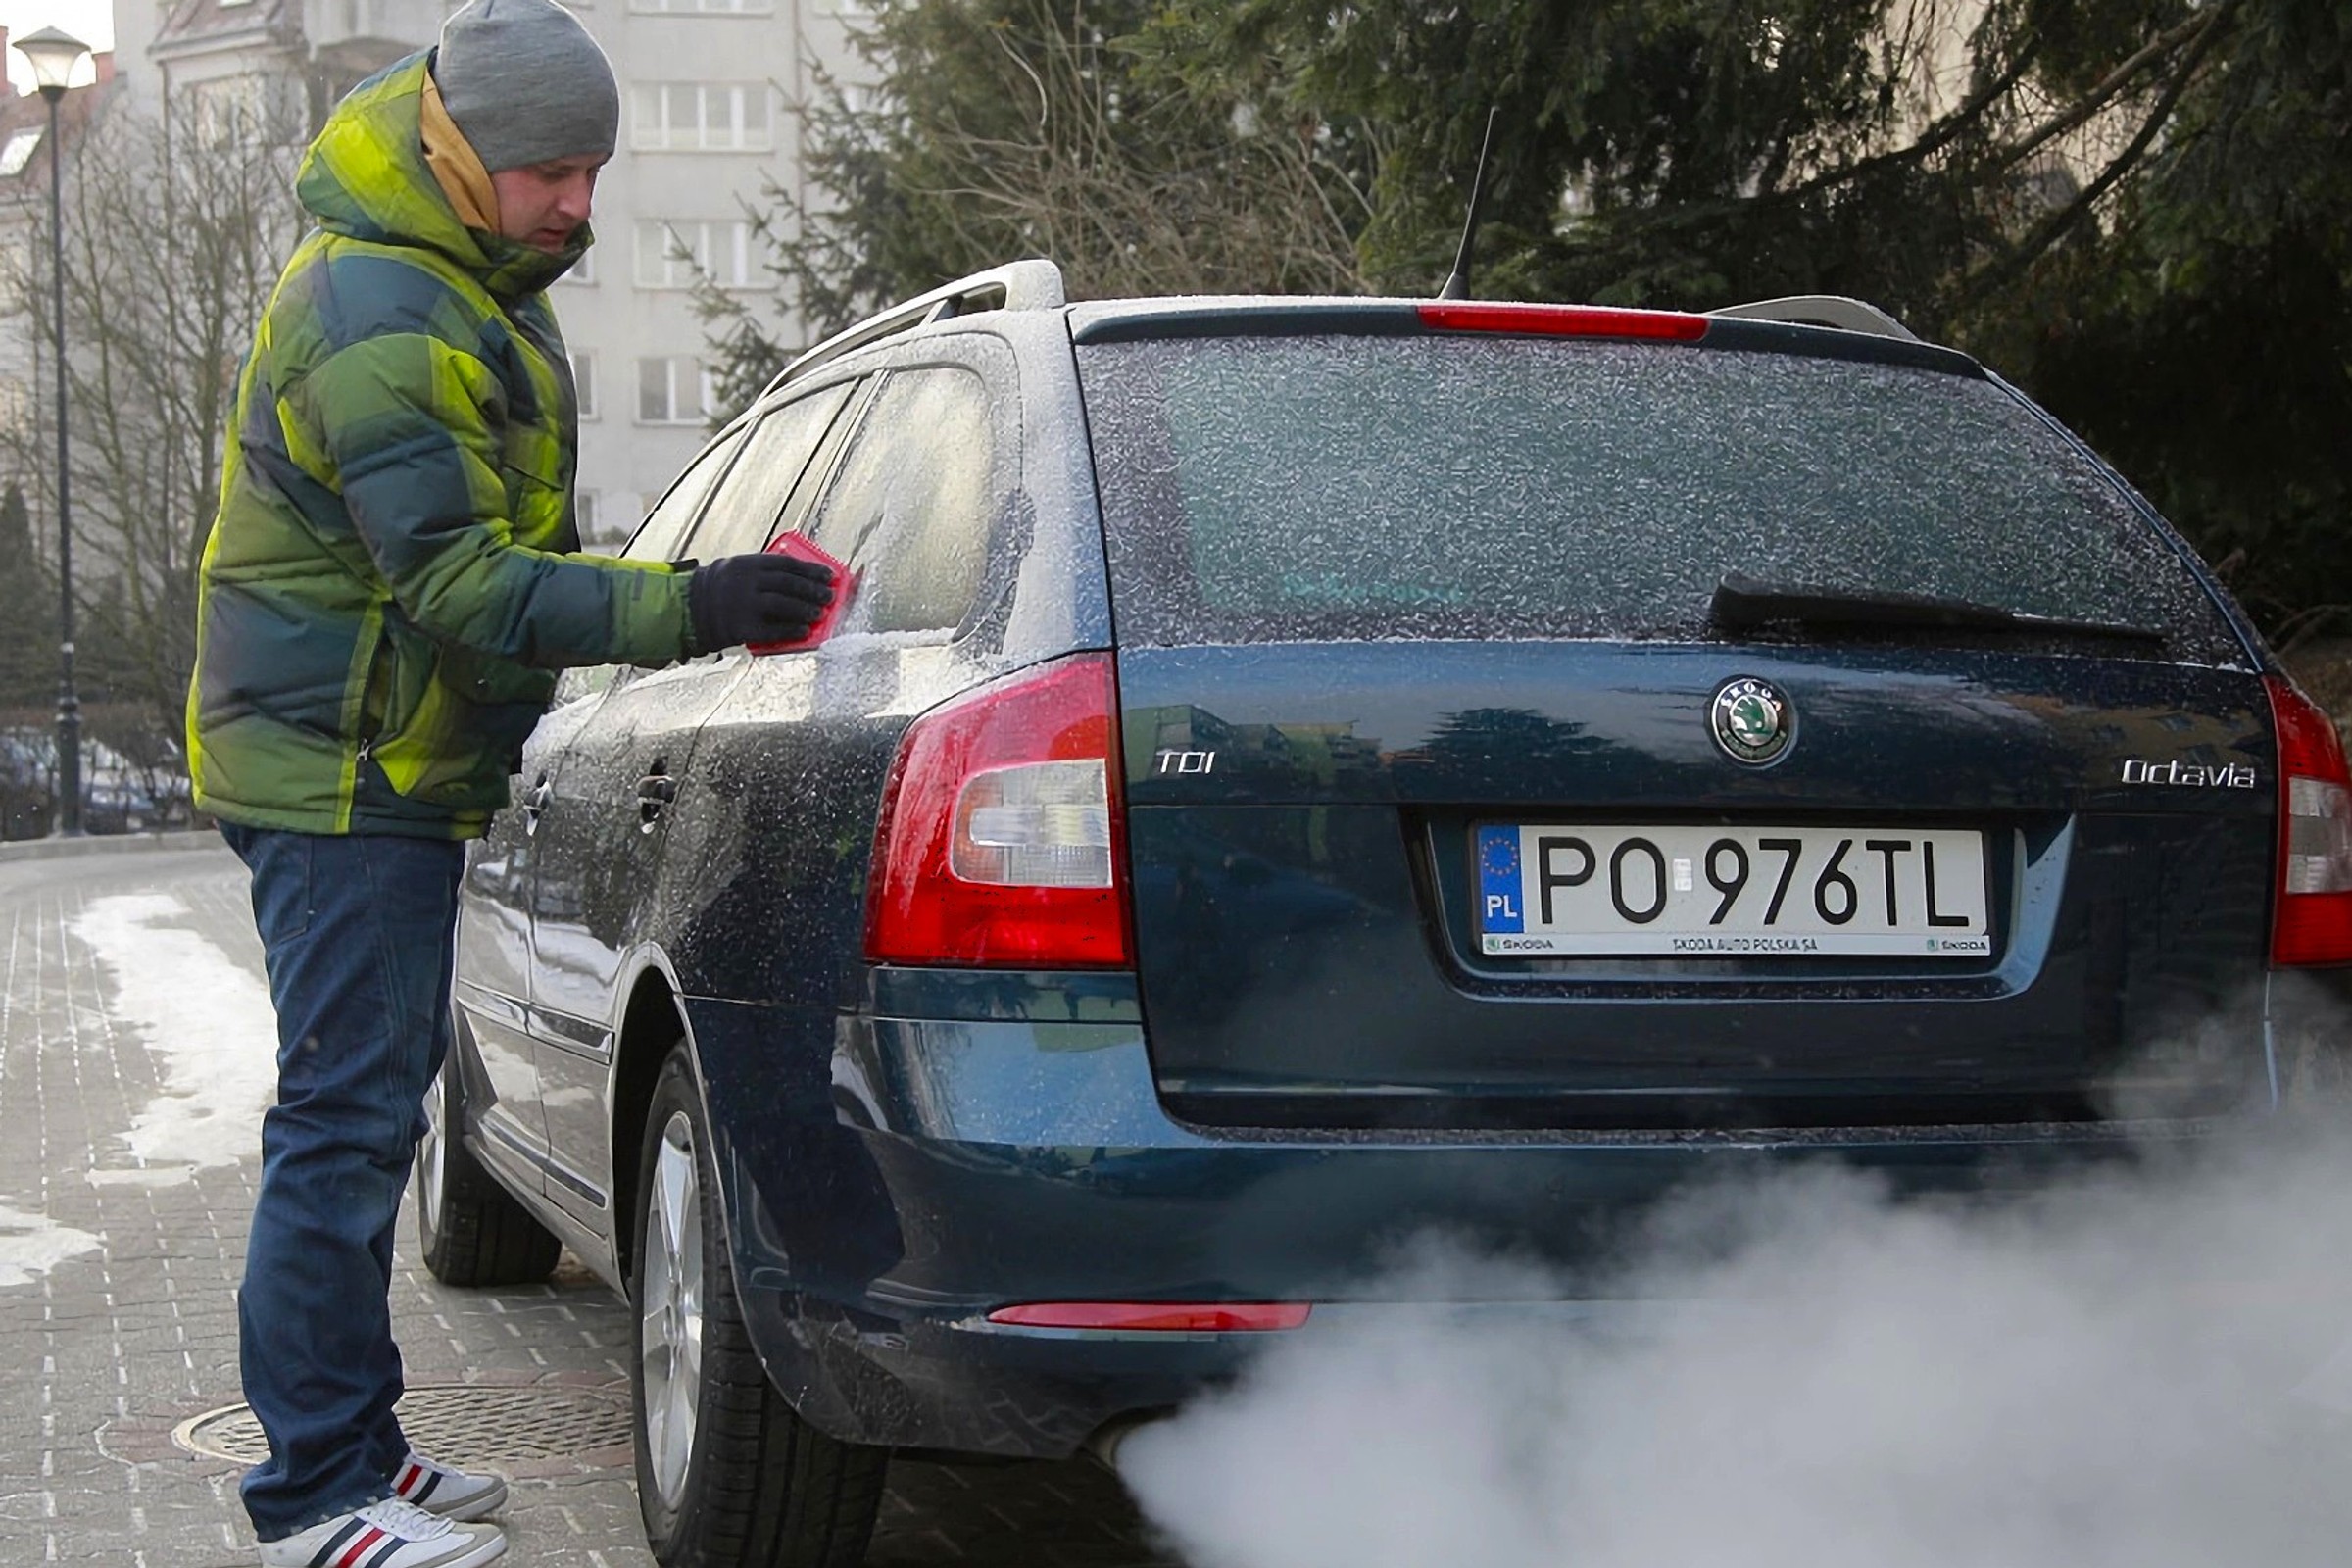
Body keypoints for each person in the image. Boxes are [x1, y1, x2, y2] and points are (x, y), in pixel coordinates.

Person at [184, 2, 831, 1563]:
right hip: (340, 774)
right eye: (551, 171)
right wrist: (692, 605)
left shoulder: (459, 278)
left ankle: (364, 1446)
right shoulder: (383, 304)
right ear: (455, 147)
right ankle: (313, 1500)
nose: (577, 207)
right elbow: (462, 583)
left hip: (378, 764)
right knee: (341, 1131)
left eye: (594, 173)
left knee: (370, 1117)